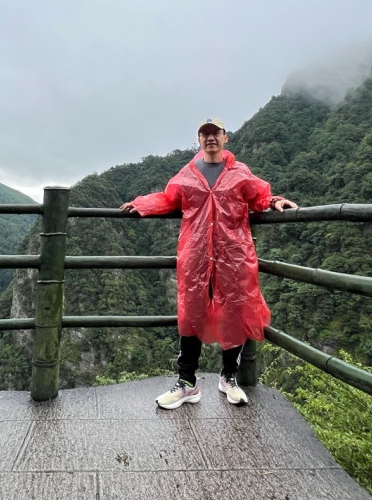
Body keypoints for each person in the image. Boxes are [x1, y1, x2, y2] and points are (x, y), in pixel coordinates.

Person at [120, 118, 297, 409]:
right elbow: (169, 199)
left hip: (234, 255)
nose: (210, 137)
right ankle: (186, 382)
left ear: (225, 138)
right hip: (196, 255)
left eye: (215, 133)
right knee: (191, 312)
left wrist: (274, 201)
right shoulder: (187, 174)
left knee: (235, 311)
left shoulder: (240, 173)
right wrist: (142, 204)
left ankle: (229, 378)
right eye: (205, 133)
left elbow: (258, 197)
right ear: (199, 139)